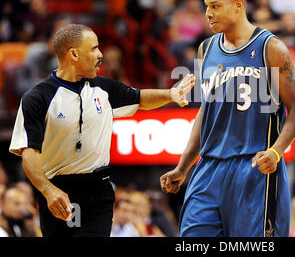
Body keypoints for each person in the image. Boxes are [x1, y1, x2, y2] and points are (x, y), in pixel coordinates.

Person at [8, 23, 195, 237]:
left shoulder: (103, 88)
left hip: (99, 188)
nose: (100, 54)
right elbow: (29, 154)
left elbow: (140, 98)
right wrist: (48, 191)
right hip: (59, 190)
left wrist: (171, 94)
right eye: (94, 48)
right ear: (74, 54)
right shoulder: (37, 98)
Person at [160, 0, 295, 237]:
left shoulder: (270, 48)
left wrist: (276, 151)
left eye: (215, 6)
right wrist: (183, 167)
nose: (208, 14)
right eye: (206, 7)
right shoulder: (206, 49)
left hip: (253, 168)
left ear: (238, 6)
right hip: (209, 168)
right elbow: (205, 113)